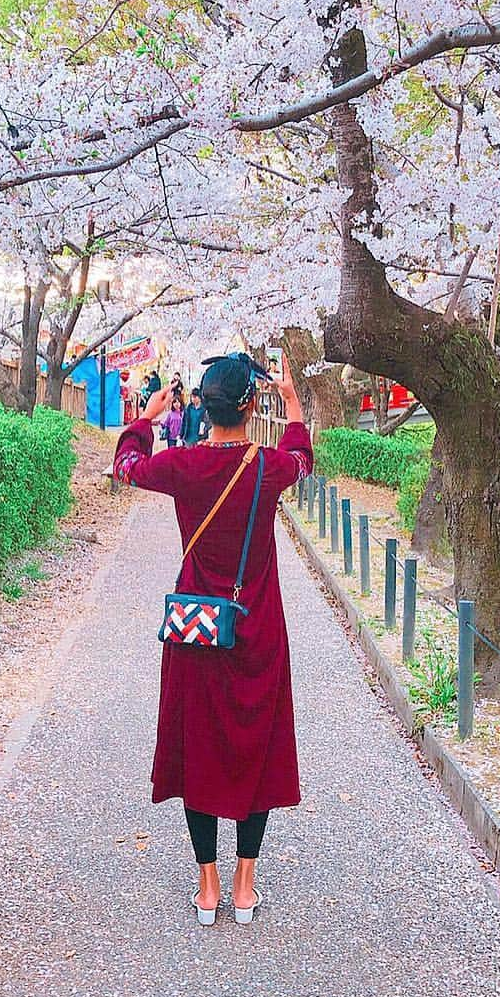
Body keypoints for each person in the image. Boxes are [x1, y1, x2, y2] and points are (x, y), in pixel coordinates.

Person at [113, 353, 312, 927]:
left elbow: (127, 465)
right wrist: (294, 402)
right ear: (252, 405)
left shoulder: (183, 466)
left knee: (199, 744)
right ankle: (245, 884)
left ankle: (207, 886)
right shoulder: (269, 467)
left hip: (197, 631)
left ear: (201, 405)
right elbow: (303, 456)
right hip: (257, 629)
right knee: (256, 743)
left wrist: (146, 417)